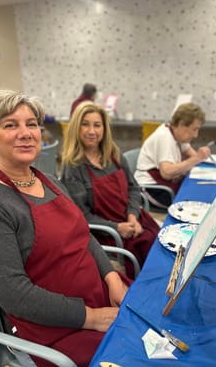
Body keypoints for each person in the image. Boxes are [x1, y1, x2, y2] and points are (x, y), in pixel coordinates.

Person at [0, 90, 131, 367]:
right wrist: (93, 318)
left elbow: (85, 236)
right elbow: (16, 296)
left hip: (99, 298)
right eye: (10, 125)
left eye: (31, 124)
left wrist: (111, 278)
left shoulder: (47, 180)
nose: (26, 133)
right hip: (56, 330)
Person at [61, 101, 159, 279]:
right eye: (85, 124)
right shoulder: (73, 167)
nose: (92, 131)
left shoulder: (113, 154)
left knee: (161, 246)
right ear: (76, 128)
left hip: (133, 220)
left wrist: (132, 216)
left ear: (104, 128)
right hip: (107, 232)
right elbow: (82, 216)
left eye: (97, 125)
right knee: (145, 254)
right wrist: (117, 227)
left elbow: (133, 189)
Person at [134, 102, 211, 208]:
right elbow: (166, 172)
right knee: (194, 203)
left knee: (199, 193)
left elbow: (192, 154)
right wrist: (197, 158)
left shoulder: (178, 134)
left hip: (164, 185)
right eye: (194, 129)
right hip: (152, 190)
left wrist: (199, 157)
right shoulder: (164, 137)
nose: (195, 135)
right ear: (181, 125)